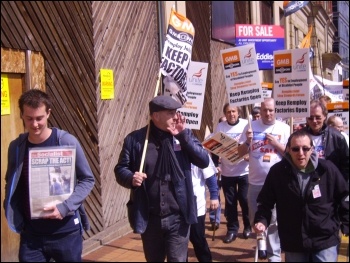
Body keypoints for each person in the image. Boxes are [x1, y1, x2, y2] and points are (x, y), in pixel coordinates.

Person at [114, 95, 209, 262]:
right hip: (150, 219)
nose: (176, 116)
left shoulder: (183, 135)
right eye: (170, 113)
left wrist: (184, 137)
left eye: (176, 112)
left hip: (178, 217)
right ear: (155, 116)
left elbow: (203, 160)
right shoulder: (135, 140)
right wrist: (131, 177)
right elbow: (120, 169)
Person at [3, 89, 95, 262]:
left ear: (48, 113)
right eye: (29, 118)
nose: (35, 124)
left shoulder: (66, 142)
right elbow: (12, 181)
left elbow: (87, 179)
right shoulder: (16, 147)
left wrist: (65, 207)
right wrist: (13, 212)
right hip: (31, 235)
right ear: (21, 115)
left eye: (39, 118)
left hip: (65, 232)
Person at [254, 130, 349, 262]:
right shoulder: (277, 172)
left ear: (312, 149)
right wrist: (261, 220)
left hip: (324, 237)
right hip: (294, 240)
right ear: (288, 149)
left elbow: (344, 196)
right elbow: (265, 202)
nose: (301, 153)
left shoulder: (327, 169)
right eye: (295, 149)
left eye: (305, 148)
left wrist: (346, 222)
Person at [238, 98, 290, 262]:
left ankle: (273, 255)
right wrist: (247, 141)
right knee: (256, 219)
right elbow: (239, 153)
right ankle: (261, 245)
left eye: (271, 110)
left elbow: (292, 155)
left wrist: (277, 144)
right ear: (260, 111)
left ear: (276, 111)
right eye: (264, 110)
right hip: (255, 183)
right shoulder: (251, 126)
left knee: (273, 221)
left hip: (277, 185)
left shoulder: (285, 128)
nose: (268, 113)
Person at [212, 104, 251, 243]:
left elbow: (253, 144)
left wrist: (249, 155)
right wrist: (216, 165)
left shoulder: (247, 124)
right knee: (230, 202)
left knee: (244, 199)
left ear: (238, 112)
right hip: (227, 172)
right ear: (225, 114)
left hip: (244, 171)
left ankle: (248, 226)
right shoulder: (221, 127)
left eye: (233, 111)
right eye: (228, 112)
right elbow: (215, 147)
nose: (231, 114)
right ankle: (232, 229)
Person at [302, 99, 349, 182]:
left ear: (325, 117)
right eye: (310, 118)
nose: (314, 121)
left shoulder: (337, 137)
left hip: (329, 182)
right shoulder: (299, 136)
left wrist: (340, 184)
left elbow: (346, 164)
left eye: (318, 117)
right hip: (306, 181)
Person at [189, 154, 219, 262]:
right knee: (178, 244)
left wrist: (214, 196)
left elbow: (210, 176)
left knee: (198, 239)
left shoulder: (199, 152)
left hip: (196, 206)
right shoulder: (169, 149)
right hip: (175, 207)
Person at [209, 116, 226, 231]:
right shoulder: (212, 138)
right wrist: (214, 166)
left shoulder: (235, 138)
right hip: (216, 169)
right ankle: (214, 219)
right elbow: (207, 154)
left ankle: (229, 215)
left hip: (230, 172)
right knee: (215, 194)